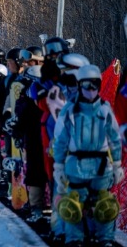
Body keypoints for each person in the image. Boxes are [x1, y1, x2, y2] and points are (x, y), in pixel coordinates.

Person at [53, 64, 123, 246]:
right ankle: (74, 239)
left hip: (101, 166)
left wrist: (116, 165)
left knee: (104, 206)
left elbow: (115, 139)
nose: (90, 90)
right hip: (76, 166)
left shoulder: (105, 109)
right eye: (86, 85)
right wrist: (59, 166)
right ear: (79, 85)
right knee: (73, 206)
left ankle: (105, 239)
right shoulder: (70, 110)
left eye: (94, 85)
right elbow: (61, 140)